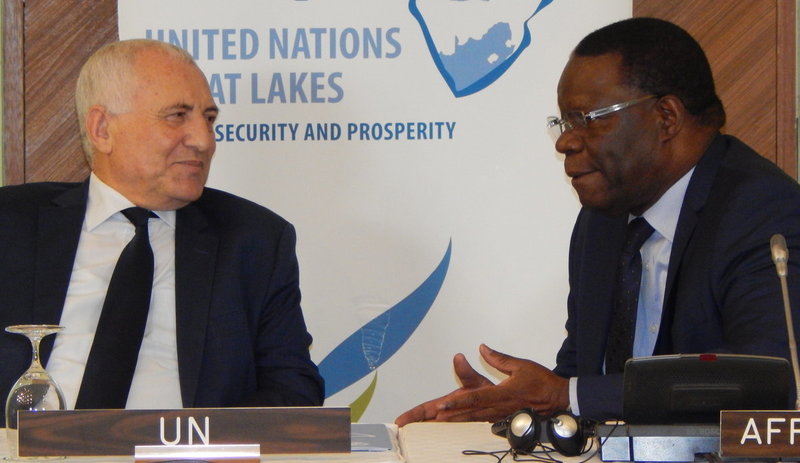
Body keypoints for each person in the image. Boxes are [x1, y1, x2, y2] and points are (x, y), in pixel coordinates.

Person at [396, 17, 800, 425]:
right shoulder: (602, 221)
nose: (565, 141)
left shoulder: (764, 213)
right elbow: (580, 379)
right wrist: (519, 409)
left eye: (586, 119)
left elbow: (769, 382)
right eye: (564, 122)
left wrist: (562, 395)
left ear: (666, 117)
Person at [0, 39, 324, 425]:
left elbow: (294, 389)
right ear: (102, 129)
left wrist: (206, 441)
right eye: (177, 116)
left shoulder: (254, 240)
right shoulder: (11, 223)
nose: (204, 140)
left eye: (209, 119)